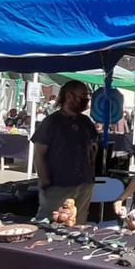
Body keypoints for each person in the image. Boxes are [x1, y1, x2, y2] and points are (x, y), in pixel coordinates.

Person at [32, 81, 99, 222]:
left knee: (78, 223)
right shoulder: (51, 122)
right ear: (69, 96)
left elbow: (92, 148)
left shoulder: (86, 121)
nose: (86, 100)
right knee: (52, 222)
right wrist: (45, 182)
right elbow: (39, 154)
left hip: (84, 183)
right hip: (58, 185)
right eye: (83, 96)